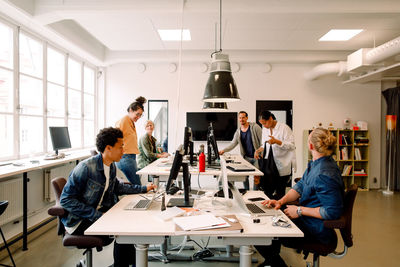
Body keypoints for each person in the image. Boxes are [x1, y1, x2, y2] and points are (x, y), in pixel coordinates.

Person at [60, 127, 156, 267]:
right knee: (123, 229)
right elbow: (65, 200)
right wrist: (97, 215)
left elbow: (118, 187)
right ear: (108, 148)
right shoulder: (86, 168)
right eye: (120, 146)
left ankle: (127, 263)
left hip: (97, 214)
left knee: (130, 222)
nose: (123, 150)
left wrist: (144, 188)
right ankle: (122, 264)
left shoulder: (110, 166)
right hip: (79, 221)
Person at [255, 128, 344, 267]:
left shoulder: (325, 173)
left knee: (260, 230)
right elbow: (300, 186)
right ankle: (274, 261)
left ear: (310, 146)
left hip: (315, 229)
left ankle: (276, 263)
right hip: (308, 220)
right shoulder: (317, 163)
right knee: (264, 217)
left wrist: (299, 211)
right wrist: (280, 201)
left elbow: (332, 212)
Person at [254, 110, 296, 199]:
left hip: (282, 165)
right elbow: (265, 145)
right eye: (262, 124)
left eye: (265, 123)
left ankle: (281, 211)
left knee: (280, 193)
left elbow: (292, 146)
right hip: (269, 166)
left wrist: (277, 142)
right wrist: (258, 150)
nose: (264, 126)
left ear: (270, 118)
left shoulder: (284, 128)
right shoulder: (265, 129)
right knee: (267, 191)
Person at [219, 111, 262, 190]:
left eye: (243, 117)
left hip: (257, 157)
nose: (241, 119)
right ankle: (247, 192)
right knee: (244, 177)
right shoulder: (238, 131)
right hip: (246, 158)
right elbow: (233, 143)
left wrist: (260, 152)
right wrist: (223, 150)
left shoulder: (255, 127)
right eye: (240, 118)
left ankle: (255, 193)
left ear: (247, 118)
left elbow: (263, 141)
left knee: (256, 177)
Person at [115, 96, 146, 185]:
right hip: (125, 157)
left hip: (130, 157)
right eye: (137, 114)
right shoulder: (124, 121)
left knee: (136, 185)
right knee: (137, 186)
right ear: (131, 110)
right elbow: (115, 138)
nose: (139, 117)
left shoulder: (130, 122)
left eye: (140, 115)